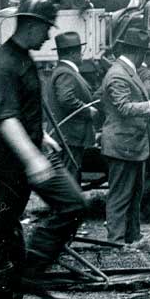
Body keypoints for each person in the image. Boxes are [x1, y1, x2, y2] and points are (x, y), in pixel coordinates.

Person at [0, 0, 89, 299]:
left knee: (73, 204)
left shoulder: (22, 59)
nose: (49, 37)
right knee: (1, 234)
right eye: (46, 28)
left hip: (26, 155)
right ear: (32, 24)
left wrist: (42, 140)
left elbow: (22, 114)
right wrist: (33, 158)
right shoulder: (2, 63)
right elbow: (6, 119)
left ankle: (33, 274)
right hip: (6, 165)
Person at [101, 28, 150, 244]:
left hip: (131, 145)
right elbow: (123, 107)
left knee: (133, 197)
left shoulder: (126, 72)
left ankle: (132, 239)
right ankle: (116, 243)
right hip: (122, 146)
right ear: (138, 53)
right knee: (120, 198)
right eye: (144, 53)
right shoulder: (118, 74)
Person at [47, 31, 97, 184]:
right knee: (69, 181)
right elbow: (66, 98)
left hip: (67, 137)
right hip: (69, 137)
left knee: (68, 178)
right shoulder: (66, 73)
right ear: (73, 53)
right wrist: (87, 110)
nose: (81, 55)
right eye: (79, 51)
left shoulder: (63, 71)